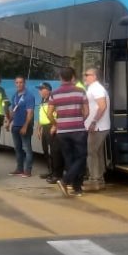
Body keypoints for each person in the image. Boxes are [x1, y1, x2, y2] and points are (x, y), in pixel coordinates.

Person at [49, 66, 88, 197]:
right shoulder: (81, 91)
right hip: (78, 130)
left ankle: (76, 188)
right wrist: (80, 120)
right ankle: (66, 181)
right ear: (73, 78)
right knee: (81, 157)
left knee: (69, 159)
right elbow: (86, 111)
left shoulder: (54, 93)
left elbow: (49, 114)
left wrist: (56, 124)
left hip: (62, 131)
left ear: (60, 78)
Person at [83, 67, 112, 191]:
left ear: (94, 76)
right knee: (97, 153)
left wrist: (94, 122)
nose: (85, 76)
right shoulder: (94, 88)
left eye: (87, 74)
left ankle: (94, 180)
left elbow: (102, 106)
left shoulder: (97, 88)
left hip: (98, 127)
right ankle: (99, 180)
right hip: (100, 127)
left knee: (91, 153)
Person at [7, 76, 35, 177]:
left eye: (21, 82)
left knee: (27, 149)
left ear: (24, 83)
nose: (19, 84)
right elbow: (12, 111)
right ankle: (19, 169)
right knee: (17, 149)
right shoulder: (14, 96)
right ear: (15, 84)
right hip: (16, 126)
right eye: (17, 83)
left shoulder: (29, 96)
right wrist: (9, 122)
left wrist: (25, 126)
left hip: (24, 126)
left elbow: (30, 113)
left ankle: (27, 171)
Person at [36, 82, 62, 182]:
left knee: (54, 152)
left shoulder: (53, 99)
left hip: (51, 127)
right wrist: (38, 128)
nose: (39, 91)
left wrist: (55, 126)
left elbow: (58, 114)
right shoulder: (43, 100)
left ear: (48, 90)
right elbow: (41, 115)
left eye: (41, 89)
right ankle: (50, 171)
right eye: (39, 89)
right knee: (46, 151)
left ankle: (56, 174)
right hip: (44, 127)